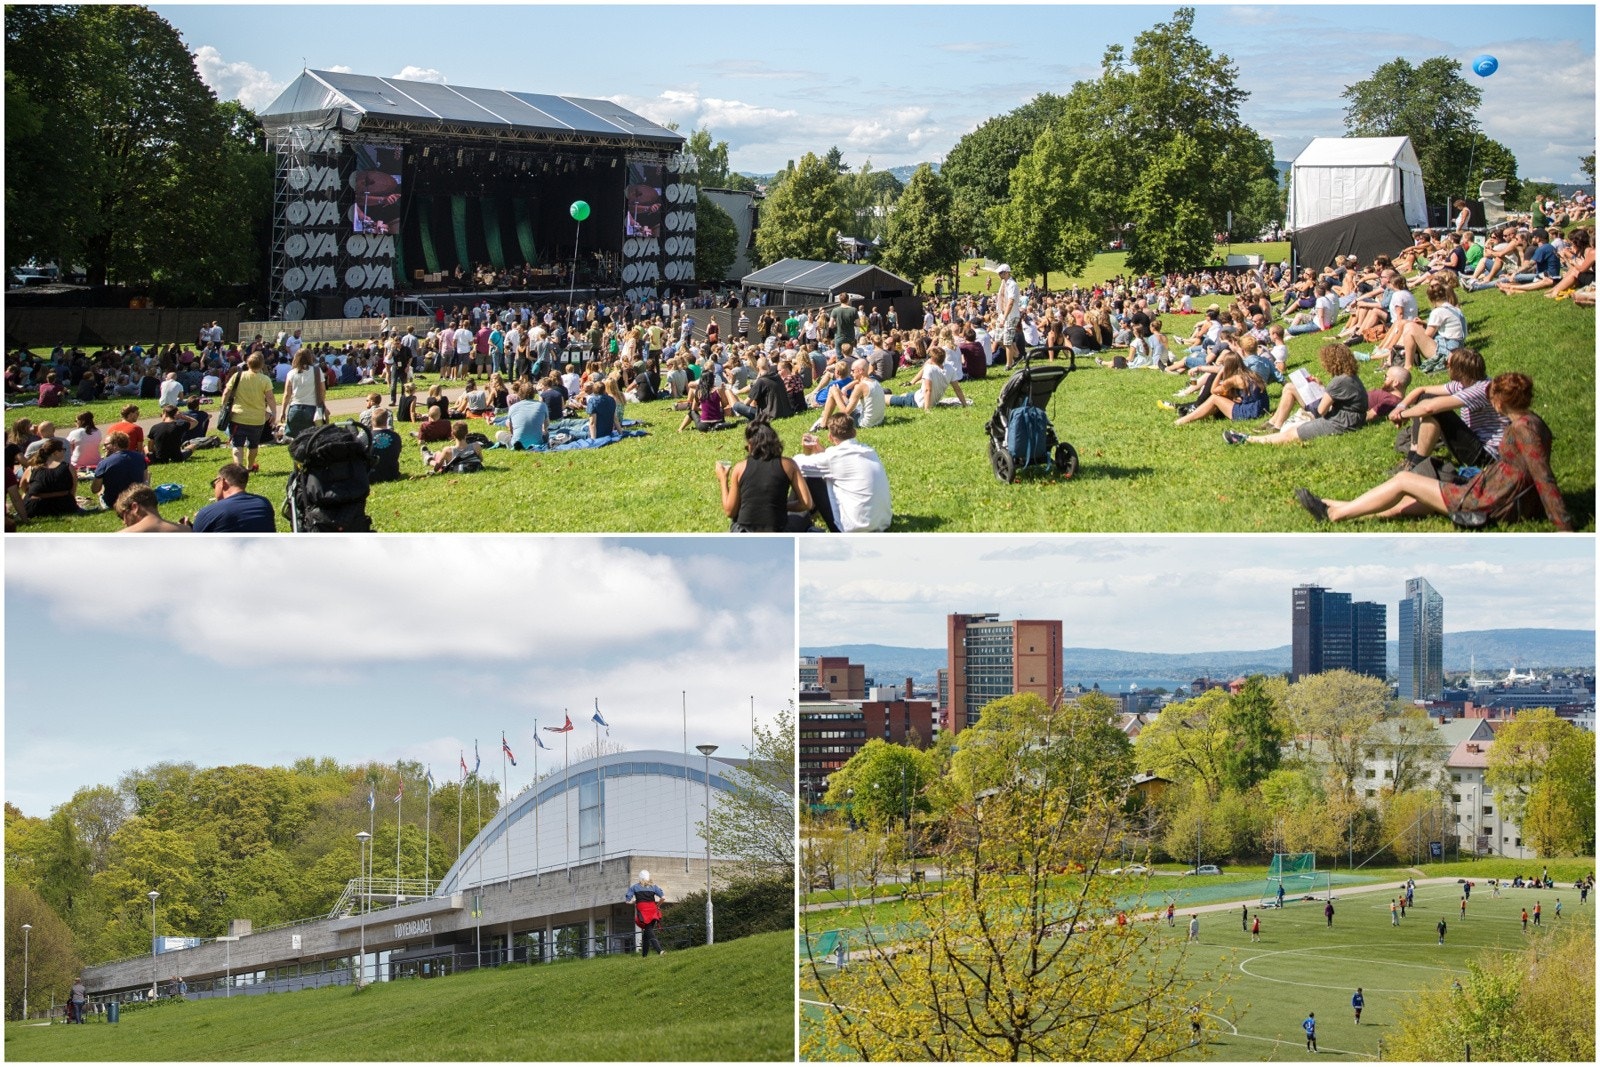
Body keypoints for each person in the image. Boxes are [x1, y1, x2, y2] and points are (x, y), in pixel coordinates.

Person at [1293, 372, 1571, 530]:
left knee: (1404, 481)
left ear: (1499, 401)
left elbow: (1544, 478)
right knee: (1406, 505)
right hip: (1488, 491)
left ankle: (1332, 514)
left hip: (1489, 501)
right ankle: (1335, 505)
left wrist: (1564, 528)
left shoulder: (1524, 428)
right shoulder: (1534, 421)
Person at [1226, 342, 1366, 446]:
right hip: (1350, 418)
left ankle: (1247, 439)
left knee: (1292, 434)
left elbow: (1321, 410)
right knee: (1292, 425)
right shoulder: (1351, 376)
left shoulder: (1338, 381)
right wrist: (1322, 387)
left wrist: (1320, 391)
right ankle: (1266, 428)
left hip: (1341, 421)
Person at [791, 413, 891, 533]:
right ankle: (804, 513)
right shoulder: (869, 450)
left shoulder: (834, 458)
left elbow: (796, 464)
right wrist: (820, 450)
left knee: (809, 477)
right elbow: (836, 461)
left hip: (851, 529)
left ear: (830, 437)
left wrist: (807, 450)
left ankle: (790, 517)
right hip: (882, 523)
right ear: (854, 432)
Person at [714, 417, 813, 533]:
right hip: (778, 530)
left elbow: (730, 511)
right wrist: (781, 506)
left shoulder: (740, 468)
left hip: (745, 530)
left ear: (750, 444)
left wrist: (723, 479)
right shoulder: (789, 465)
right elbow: (806, 503)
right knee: (804, 516)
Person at [223, 352, 277, 472]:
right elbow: (270, 398)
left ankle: (238, 468)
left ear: (247, 363)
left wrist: (223, 406)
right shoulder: (265, 379)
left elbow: (226, 392)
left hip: (238, 416)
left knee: (238, 444)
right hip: (257, 419)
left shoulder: (237, 376)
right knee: (253, 445)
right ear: (262, 364)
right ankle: (249, 466)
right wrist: (274, 413)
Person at [184, 463, 277, 532]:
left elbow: (197, 544)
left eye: (214, 484)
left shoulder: (207, 512)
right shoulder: (264, 503)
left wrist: (189, 527)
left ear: (222, 482)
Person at [91, 431, 149, 510]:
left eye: (106, 445)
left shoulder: (104, 463)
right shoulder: (140, 457)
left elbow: (95, 489)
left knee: (100, 491)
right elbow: (145, 479)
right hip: (137, 500)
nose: (103, 448)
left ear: (115, 445)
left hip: (114, 503)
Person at [279, 349, 326, 438]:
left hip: (294, 408)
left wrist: (283, 411)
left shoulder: (291, 373)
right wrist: (322, 404)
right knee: (312, 437)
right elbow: (322, 390)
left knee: (296, 439)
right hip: (311, 408)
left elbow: (287, 394)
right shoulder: (317, 371)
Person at [625, 869, 666, 957]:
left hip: (643, 913)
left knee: (649, 931)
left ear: (639, 878)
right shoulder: (654, 886)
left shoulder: (634, 887)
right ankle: (644, 956)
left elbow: (627, 901)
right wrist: (658, 906)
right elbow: (663, 897)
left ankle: (660, 951)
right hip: (653, 912)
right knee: (647, 933)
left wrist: (633, 902)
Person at [114, 484, 185, 532]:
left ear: (134, 507)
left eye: (123, 516)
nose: (124, 522)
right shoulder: (186, 530)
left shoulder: (119, 539)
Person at [995, 265, 1022, 368]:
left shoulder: (1012, 285)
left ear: (1007, 272)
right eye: (999, 273)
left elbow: (1010, 302)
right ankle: (1017, 355)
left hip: (1011, 316)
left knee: (1007, 341)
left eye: (1001, 273)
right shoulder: (1004, 284)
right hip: (1002, 314)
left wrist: (1004, 317)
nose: (999, 275)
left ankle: (1009, 364)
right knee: (998, 339)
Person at [368, 409, 403, 483]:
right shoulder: (396, 436)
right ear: (387, 420)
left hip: (370, 476)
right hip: (392, 475)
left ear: (371, 420)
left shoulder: (365, 437)